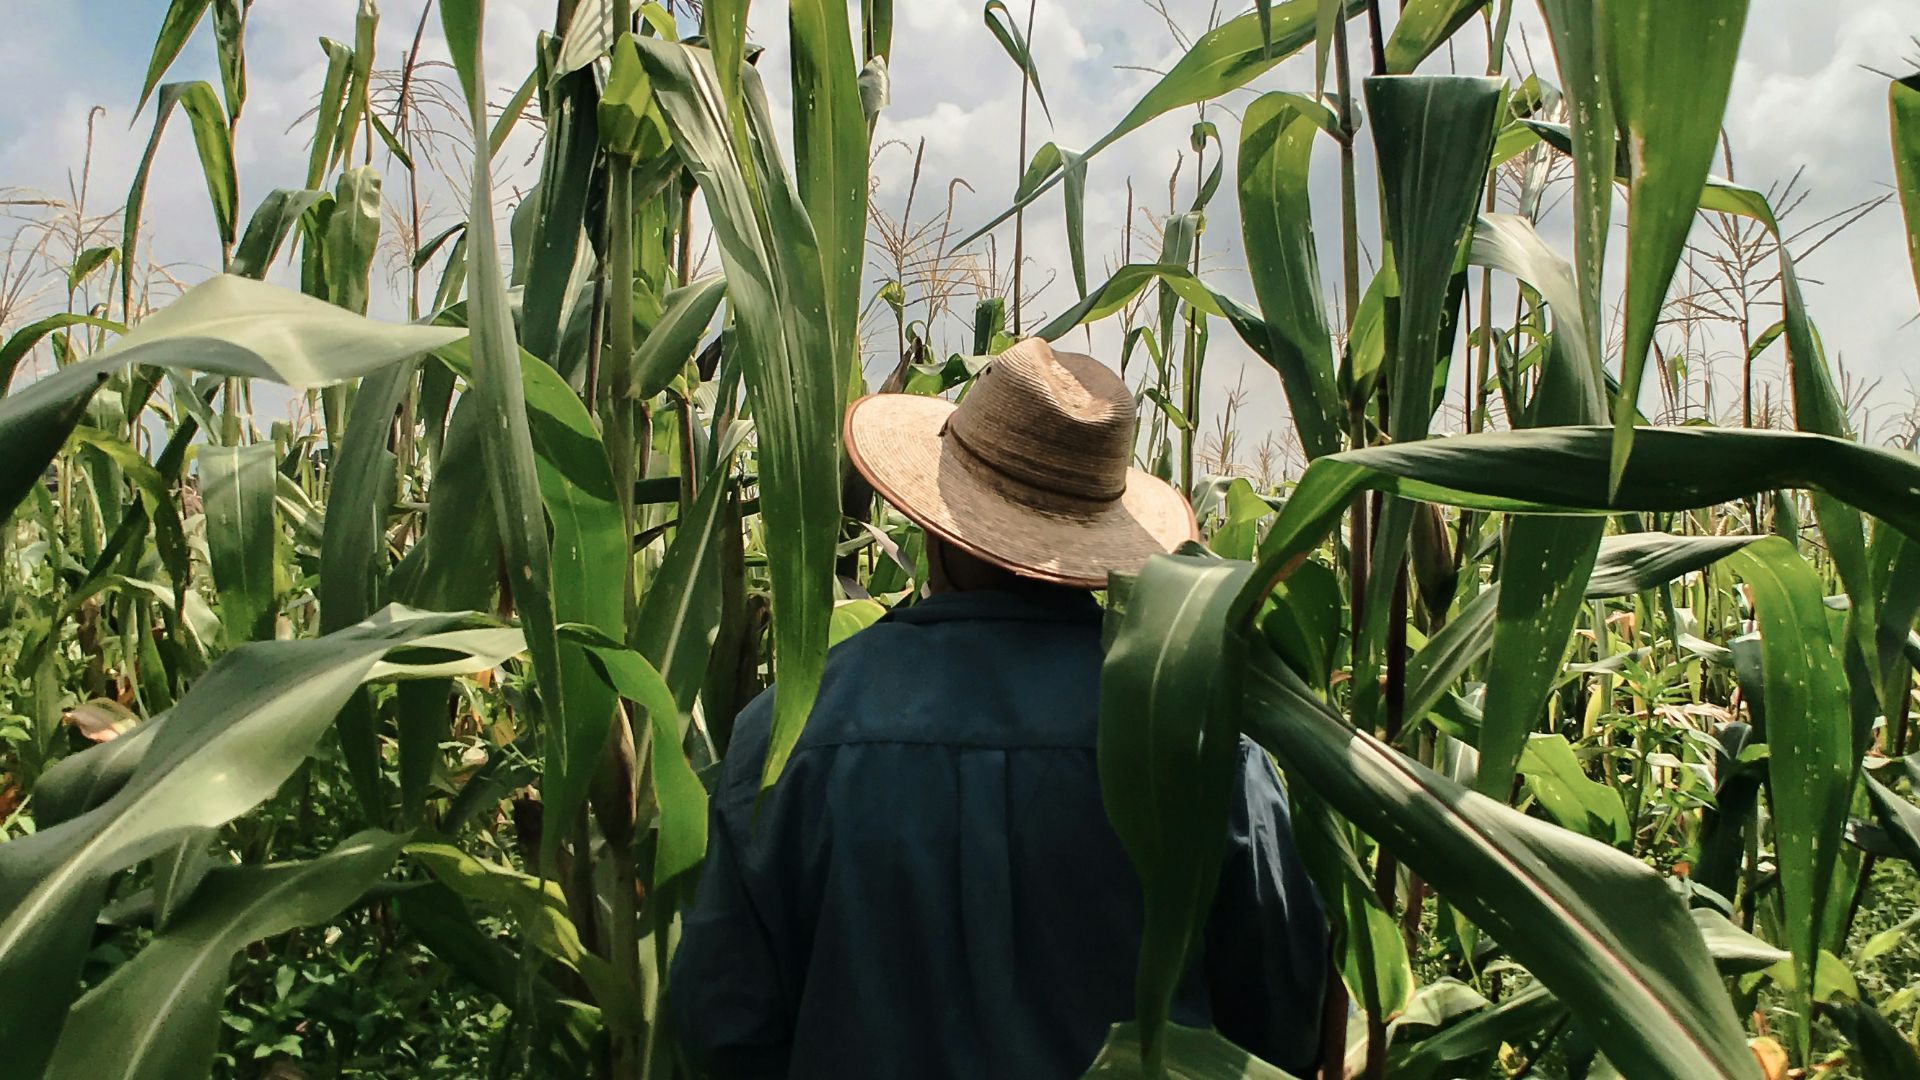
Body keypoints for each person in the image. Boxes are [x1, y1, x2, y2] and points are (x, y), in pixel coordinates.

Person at [668, 338, 1328, 1078]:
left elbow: (723, 1028)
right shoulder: (1202, 741)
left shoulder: (791, 733)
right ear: (1100, 537)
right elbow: (1279, 1025)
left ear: (934, 517)